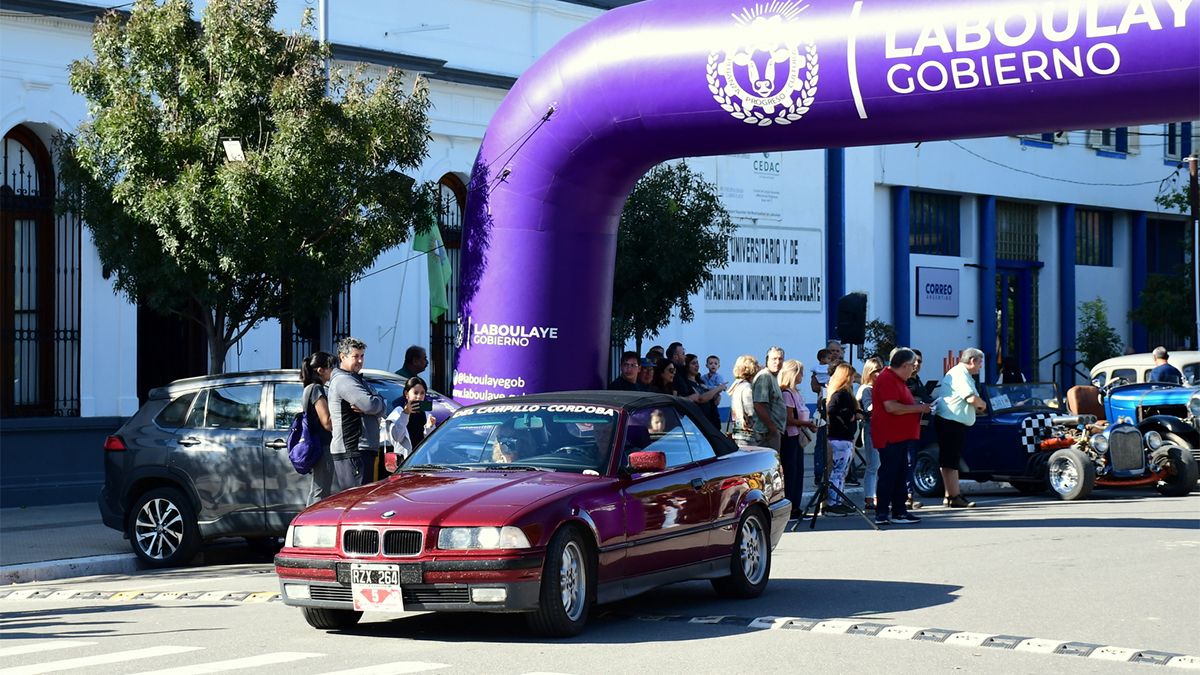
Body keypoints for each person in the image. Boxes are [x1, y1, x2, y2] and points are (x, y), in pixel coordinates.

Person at [871, 348, 932, 526]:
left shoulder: (898, 379)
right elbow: (891, 407)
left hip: (901, 435)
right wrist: (919, 408)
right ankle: (882, 512)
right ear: (905, 365)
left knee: (900, 474)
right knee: (889, 474)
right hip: (890, 435)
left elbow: (901, 404)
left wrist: (918, 406)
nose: (914, 369)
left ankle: (899, 511)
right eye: (912, 366)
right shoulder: (887, 378)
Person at [328, 337, 387, 492]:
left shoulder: (357, 379)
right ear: (342, 356)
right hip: (354, 450)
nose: (360, 361)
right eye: (355, 356)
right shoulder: (344, 380)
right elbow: (368, 404)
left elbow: (377, 404)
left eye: (362, 356)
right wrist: (377, 403)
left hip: (362, 449)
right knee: (357, 502)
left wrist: (377, 402)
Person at [933, 348, 988, 508]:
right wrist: (983, 405)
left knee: (951, 460)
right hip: (950, 422)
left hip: (952, 421)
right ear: (972, 361)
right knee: (950, 460)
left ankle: (950, 495)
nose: (980, 366)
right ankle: (954, 496)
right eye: (980, 362)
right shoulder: (959, 374)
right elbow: (971, 398)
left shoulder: (963, 374)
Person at [779, 359, 816, 516]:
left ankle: (796, 505)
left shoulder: (796, 393)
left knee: (798, 471)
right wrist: (806, 423)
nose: (802, 375)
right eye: (800, 372)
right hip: (790, 436)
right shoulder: (787, 393)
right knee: (791, 471)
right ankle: (790, 507)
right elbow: (788, 419)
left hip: (798, 435)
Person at [823, 363, 860, 516]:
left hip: (845, 437)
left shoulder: (846, 393)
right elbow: (831, 409)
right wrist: (849, 414)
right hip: (840, 438)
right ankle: (832, 503)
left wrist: (857, 411)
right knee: (838, 472)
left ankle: (838, 500)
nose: (853, 379)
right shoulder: (840, 393)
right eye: (851, 376)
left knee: (842, 472)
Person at [300, 351, 335, 505]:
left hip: (317, 443)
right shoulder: (316, 389)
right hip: (323, 445)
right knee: (321, 491)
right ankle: (312, 525)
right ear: (320, 370)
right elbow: (327, 421)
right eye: (331, 367)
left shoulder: (309, 388)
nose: (333, 371)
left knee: (318, 489)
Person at [385, 376, 437, 464]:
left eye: (422, 393)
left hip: (422, 464)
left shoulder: (427, 415)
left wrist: (430, 428)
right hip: (404, 464)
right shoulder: (398, 412)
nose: (419, 397)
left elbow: (434, 449)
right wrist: (405, 413)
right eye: (415, 393)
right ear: (406, 394)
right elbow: (397, 437)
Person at [856, 357, 885, 512]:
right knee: (873, 465)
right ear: (869, 372)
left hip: (883, 428)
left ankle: (879, 495)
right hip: (871, 428)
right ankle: (869, 497)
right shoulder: (866, 389)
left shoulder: (880, 387)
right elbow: (868, 408)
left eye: (880, 370)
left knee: (881, 464)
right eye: (875, 371)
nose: (879, 374)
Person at [752, 346, 786, 452]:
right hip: (766, 433)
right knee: (769, 466)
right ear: (767, 360)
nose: (777, 362)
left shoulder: (773, 377)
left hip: (772, 431)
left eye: (780, 359)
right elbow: (759, 405)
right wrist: (772, 428)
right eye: (774, 359)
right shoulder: (764, 377)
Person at [726, 355, 760, 447]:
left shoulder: (737, 385)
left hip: (738, 431)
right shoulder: (747, 387)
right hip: (748, 433)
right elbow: (751, 411)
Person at [686, 353, 725, 427]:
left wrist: (717, 394)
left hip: (713, 419)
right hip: (701, 423)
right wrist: (717, 389)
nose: (697, 365)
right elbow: (701, 398)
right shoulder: (690, 383)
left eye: (697, 363)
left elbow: (721, 389)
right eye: (693, 363)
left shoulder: (701, 381)